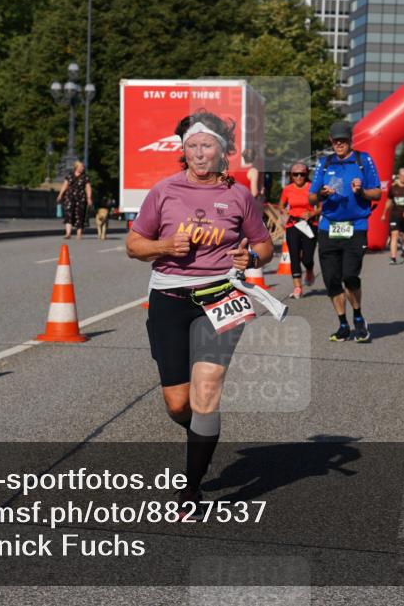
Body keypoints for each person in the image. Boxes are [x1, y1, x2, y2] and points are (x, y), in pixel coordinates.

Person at [126, 109, 274, 510]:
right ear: (183, 151)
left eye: (206, 145)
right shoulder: (164, 191)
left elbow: (264, 245)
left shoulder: (239, 196)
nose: (198, 153)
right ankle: (202, 433)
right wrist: (163, 247)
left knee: (207, 390)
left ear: (222, 151)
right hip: (169, 299)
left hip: (223, 296)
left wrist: (252, 259)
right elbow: (133, 245)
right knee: (179, 404)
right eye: (191, 146)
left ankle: (191, 489)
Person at [309, 121, 382, 342]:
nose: (340, 144)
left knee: (350, 276)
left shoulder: (363, 160)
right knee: (331, 279)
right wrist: (322, 193)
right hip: (328, 226)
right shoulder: (325, 163)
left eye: (343, 140)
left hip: (356, 225)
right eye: (336, 141)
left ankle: (358, 318)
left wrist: (361, 192)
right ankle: (343, 324)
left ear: (351, 140)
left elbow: (377, 193)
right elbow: (311, 198)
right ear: (331, 141)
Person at [279, 162, 319, 298]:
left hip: (310, 225)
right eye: (295, 174)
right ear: (291, 176)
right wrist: (285, 213)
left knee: (307, 258)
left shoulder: (312, 188)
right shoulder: (287, 189)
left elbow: (321, 207)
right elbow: (281, 205)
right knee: (294, 256)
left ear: (306, 174)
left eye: (302, 174)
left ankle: (309, 269)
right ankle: (297, 287)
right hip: (293, 225)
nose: (299, 177)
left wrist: (312, 213)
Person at [57, 161, 93, 239]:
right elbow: (65, 185)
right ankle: (68, 233)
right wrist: (60, 195)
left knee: (79, 215)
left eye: (83, 167)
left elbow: (88, 188)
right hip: (69, 197)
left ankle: (79, 234)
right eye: (81, 167)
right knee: (68, 214)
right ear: (76, 167)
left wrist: (89, 198)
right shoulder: (69, 176)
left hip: (81, 198)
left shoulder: (85, 177)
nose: (83, 168)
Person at [386, 167, 404, 264]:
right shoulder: (393, 188)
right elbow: (389, 201)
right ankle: (393, 257)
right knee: (394, 235)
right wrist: (384, 213)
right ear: (399, 176)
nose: (403, 178)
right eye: (402, 176)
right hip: (395, 214)